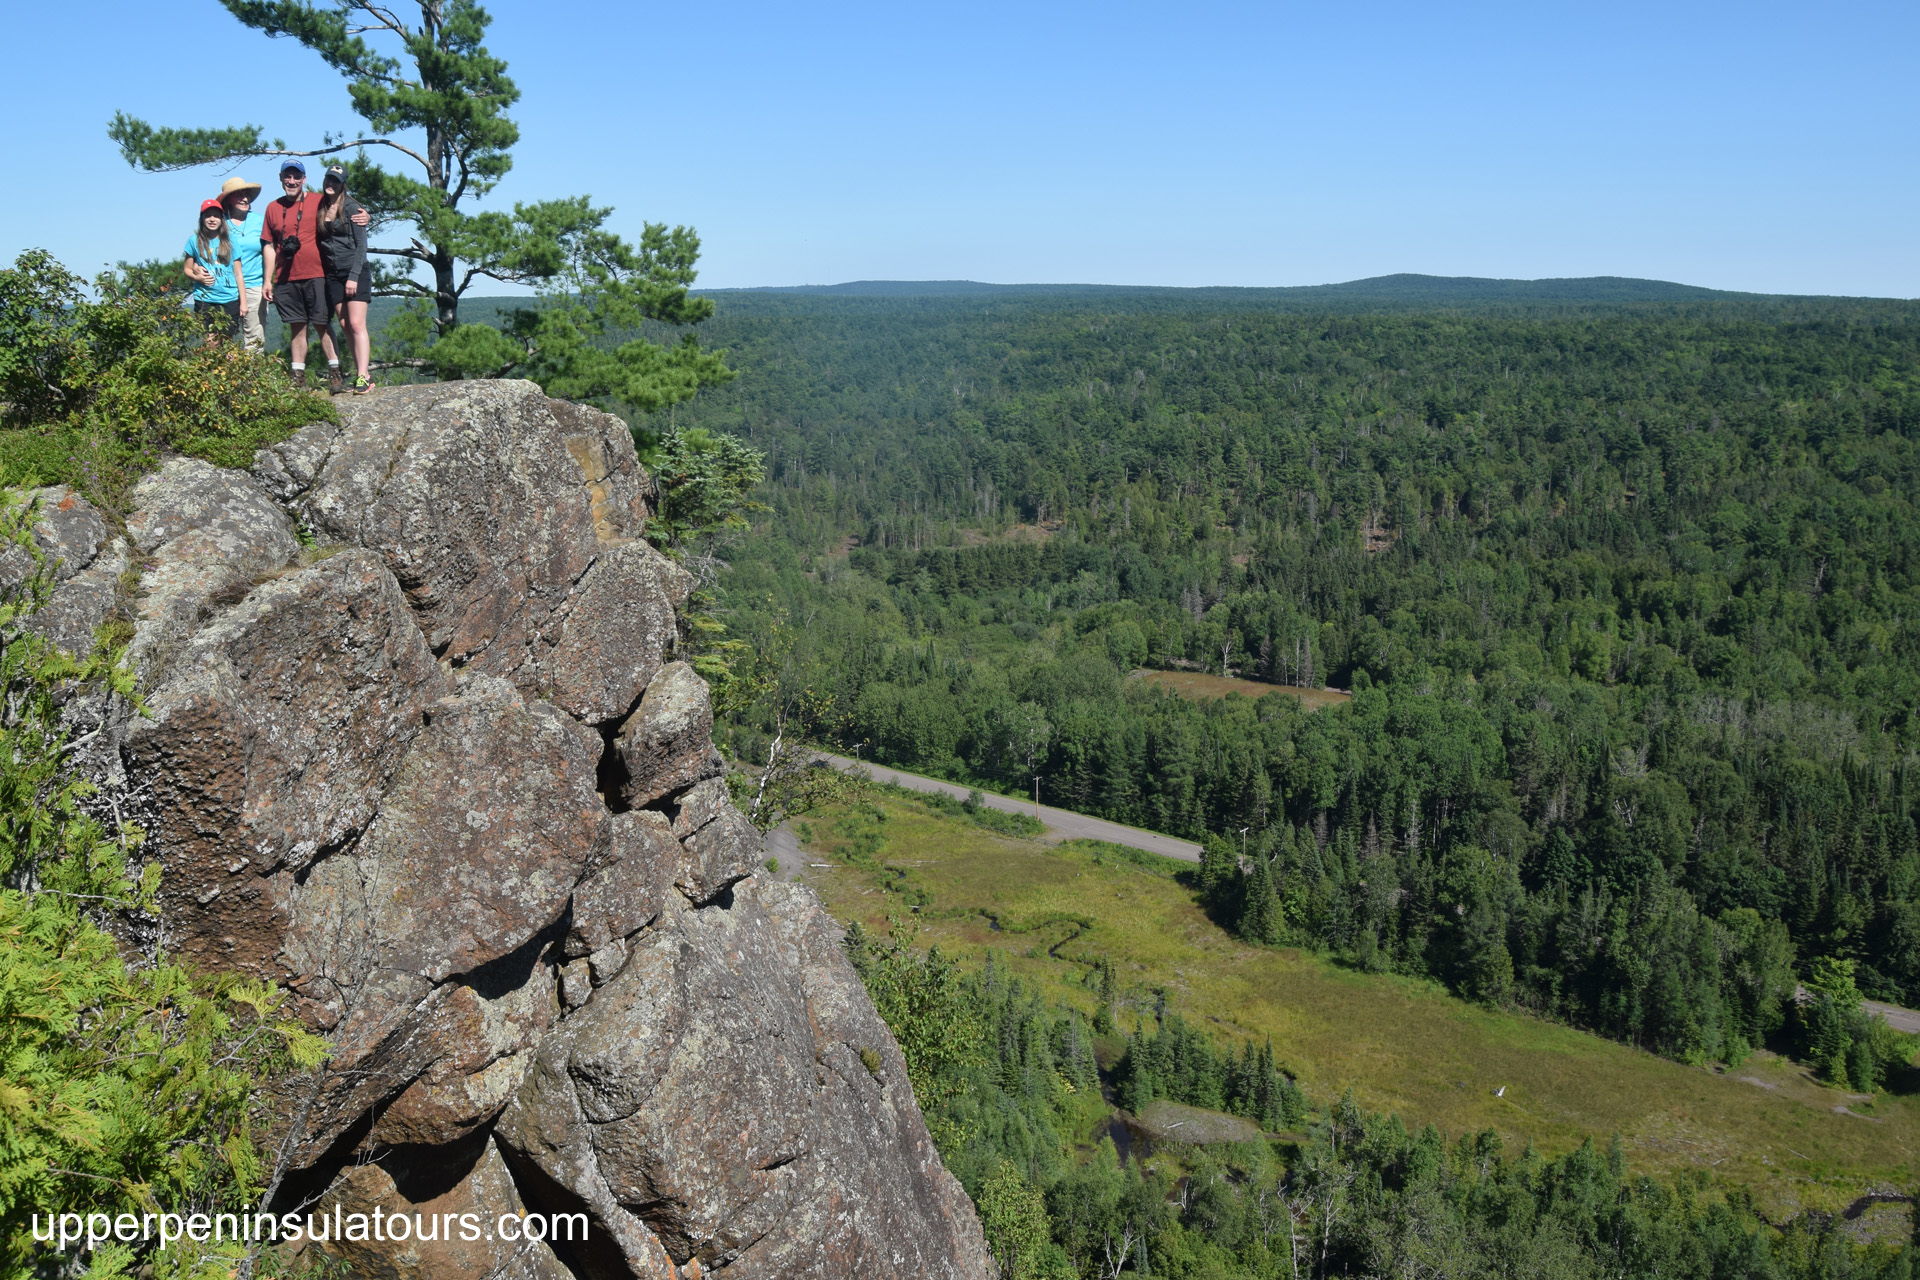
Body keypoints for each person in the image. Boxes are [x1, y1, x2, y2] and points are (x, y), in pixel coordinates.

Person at [262, 159, 342, 390]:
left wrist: (362, 213)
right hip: (286, 277)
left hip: (317, 273)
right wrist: (268, 280)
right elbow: (268, 245)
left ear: (304, 179)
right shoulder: (272, 208)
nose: (292, 181)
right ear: (280, 178)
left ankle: (335, 372)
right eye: (287, 176)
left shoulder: (317, 200)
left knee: (322, 323)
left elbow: (342, 201)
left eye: (297, 177)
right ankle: (298, 376)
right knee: (297, 326)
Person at [316, 166, 375, 394]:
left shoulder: (352, 207)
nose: (330, 183)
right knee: (344, 324)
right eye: (328, 178)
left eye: (336, 180)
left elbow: (362, 246)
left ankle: (363, 376)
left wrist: (353, 277)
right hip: (333, 274)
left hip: (355, 271)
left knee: (357, 324)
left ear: (343, 183)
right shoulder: (321, 206)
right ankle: (362, 373)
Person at [182, 199, 243, 341]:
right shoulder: (194, 241)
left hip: (230, 298)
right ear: (201, 218)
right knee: (210, 341)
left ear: (221, 219)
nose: (212, 219)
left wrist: (243, 302)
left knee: (226, 340)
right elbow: (187, 269)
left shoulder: (231, 240)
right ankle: (212, 364)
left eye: (216, 215)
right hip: (204, 299)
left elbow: (238, 273)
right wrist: (197, 278)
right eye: (208, 215)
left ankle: (227, 365)